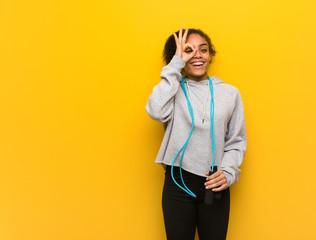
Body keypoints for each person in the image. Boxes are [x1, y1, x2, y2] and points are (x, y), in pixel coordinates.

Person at [145, 27, 247, 240]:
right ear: (179, 57)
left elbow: (235, 141)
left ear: (210, 55)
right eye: (189, 50)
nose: (198, 55)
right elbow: (155, 110)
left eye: (203, 49)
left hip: (214, 183)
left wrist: (228, 172)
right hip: (177, 182)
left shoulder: (230, 93)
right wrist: (175, 65)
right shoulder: (172, 89)